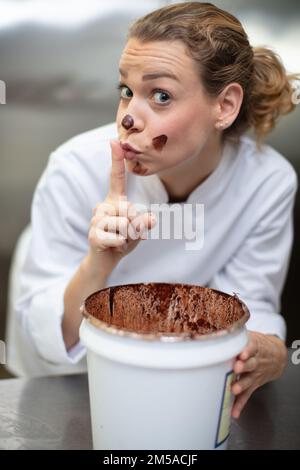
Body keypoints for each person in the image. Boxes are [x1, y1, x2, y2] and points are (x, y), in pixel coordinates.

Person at [15, 2, 299, 418]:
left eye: (160, 95)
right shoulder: (75, 168)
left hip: (182, 385)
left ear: (224, 106)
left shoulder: (266, 183)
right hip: (69, 385)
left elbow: (252, 306)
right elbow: (48, 336)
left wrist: (266, 348)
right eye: (126, 91)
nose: (129, 117)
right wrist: (99, 263)